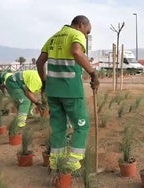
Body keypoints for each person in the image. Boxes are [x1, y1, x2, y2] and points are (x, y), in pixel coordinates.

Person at [36, 15, 100, 174]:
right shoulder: (75, 34)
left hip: (53, 92)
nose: (86, 36)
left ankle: (56, 163)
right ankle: (71, 163)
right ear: (80, 25)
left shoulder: (53, 38)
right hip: (71, 91)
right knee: (81, 126)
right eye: (87, 31)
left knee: (58, 128)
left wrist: (44, 82)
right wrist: (93, 74)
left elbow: (39, 62)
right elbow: (77, 53)